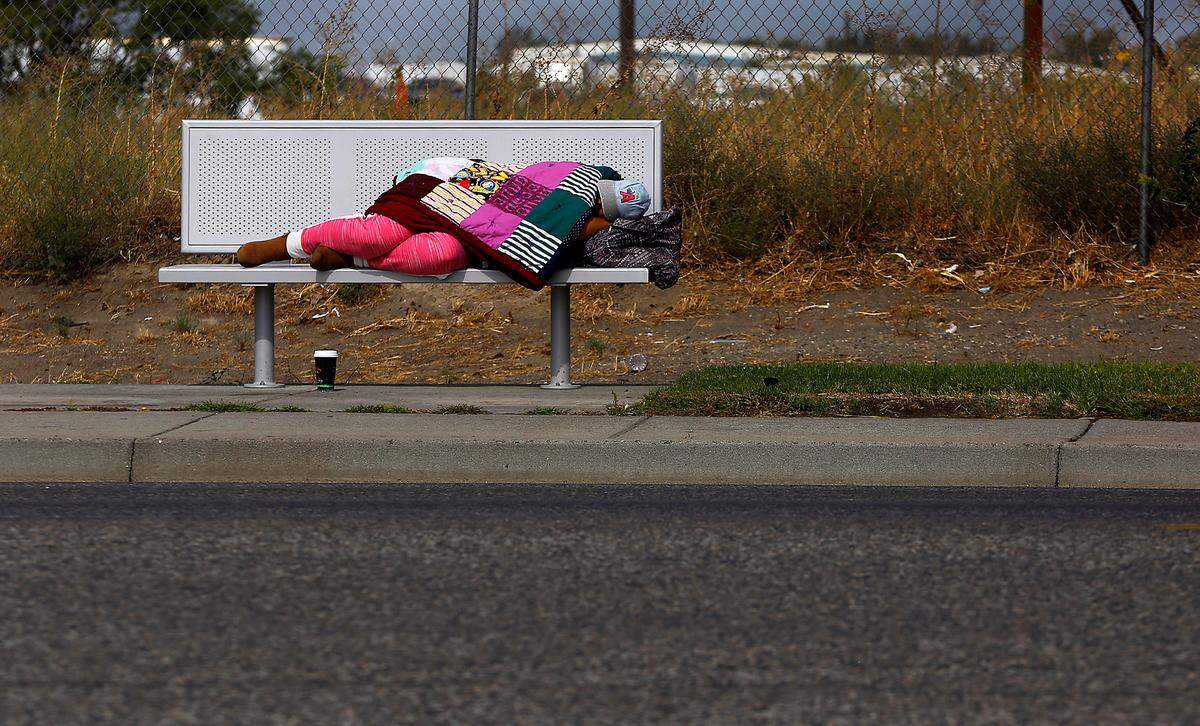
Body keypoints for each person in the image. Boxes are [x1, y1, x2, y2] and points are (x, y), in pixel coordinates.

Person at [236, 157, 651, 277]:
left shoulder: (586, 220)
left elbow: (581, 226)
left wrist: (602, 219)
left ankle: (347, 260)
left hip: (470, 234)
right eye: (601, 198)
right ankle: (279, 246)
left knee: (441, 254)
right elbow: (536, 184)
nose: (595, 205)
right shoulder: (577, 178)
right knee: (379, 231)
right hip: (447, 186)